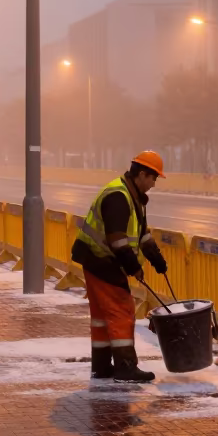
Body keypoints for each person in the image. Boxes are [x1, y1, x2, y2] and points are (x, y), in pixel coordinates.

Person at [71, 150, 170, 383]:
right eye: (153, 178)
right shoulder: (118, 197)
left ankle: (102, 366)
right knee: (122, 311)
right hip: (102, 260)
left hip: (96, 260)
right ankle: (126, 367)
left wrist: (156, 258)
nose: (154, 184)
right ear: (142, 174)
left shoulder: (132, 196)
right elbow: (118, 240)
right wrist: (134, 267)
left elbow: (141, 234)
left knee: (102, 317)